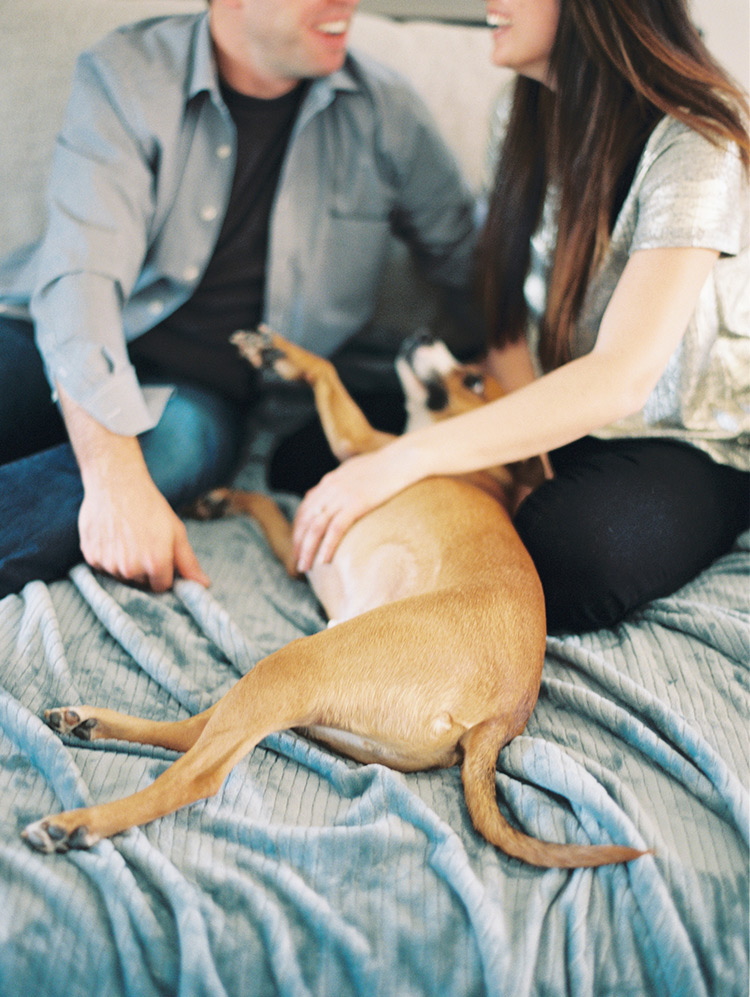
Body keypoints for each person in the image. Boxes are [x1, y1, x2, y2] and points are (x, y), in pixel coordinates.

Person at [292, 0, 750, 634]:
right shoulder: (520, 111)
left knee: (563, 551)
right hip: (556, 407)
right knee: (305, 451)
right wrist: (526, 462)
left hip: (680, 439)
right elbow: (509, 322)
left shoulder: (699, 141)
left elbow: (623, 376)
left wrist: (410, 459)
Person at [0, 0, 479, 598]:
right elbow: (80, 283)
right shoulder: (128, 73)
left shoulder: (387, 113)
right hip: (49, 338)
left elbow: (478, 266)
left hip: (198, 399)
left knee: (176, 449)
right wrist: (113, 475)